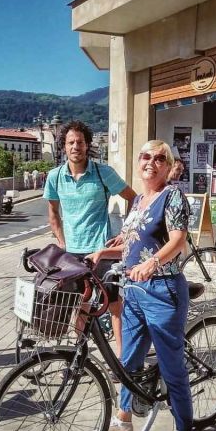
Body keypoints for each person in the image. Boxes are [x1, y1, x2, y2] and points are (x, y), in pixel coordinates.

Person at [88, 140, 196, 431]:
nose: (151, 162)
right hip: (132, 290)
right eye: (146, 156)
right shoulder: (136, 200)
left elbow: (177, 240)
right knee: (129, 362)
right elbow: (131, 241)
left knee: (172, 369)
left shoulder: (172, 196)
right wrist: (99, 254)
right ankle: (123, 422)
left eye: (159, 158)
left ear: (169, 166)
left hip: (163, 291)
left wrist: (152, 263)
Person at [45, 120, 136, 352]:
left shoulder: (102, 172)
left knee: (115, 305)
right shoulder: (55, 177)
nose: (75, 146)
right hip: (73, 255)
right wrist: (63, 244)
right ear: (63, 147)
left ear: (87, 146)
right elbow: (54, 215)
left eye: (80, 142)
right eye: (70, 142)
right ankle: (80, 356)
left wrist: (126, 232)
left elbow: (135, 199)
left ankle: (122, 359)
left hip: (102, 251)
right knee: (80, 304)